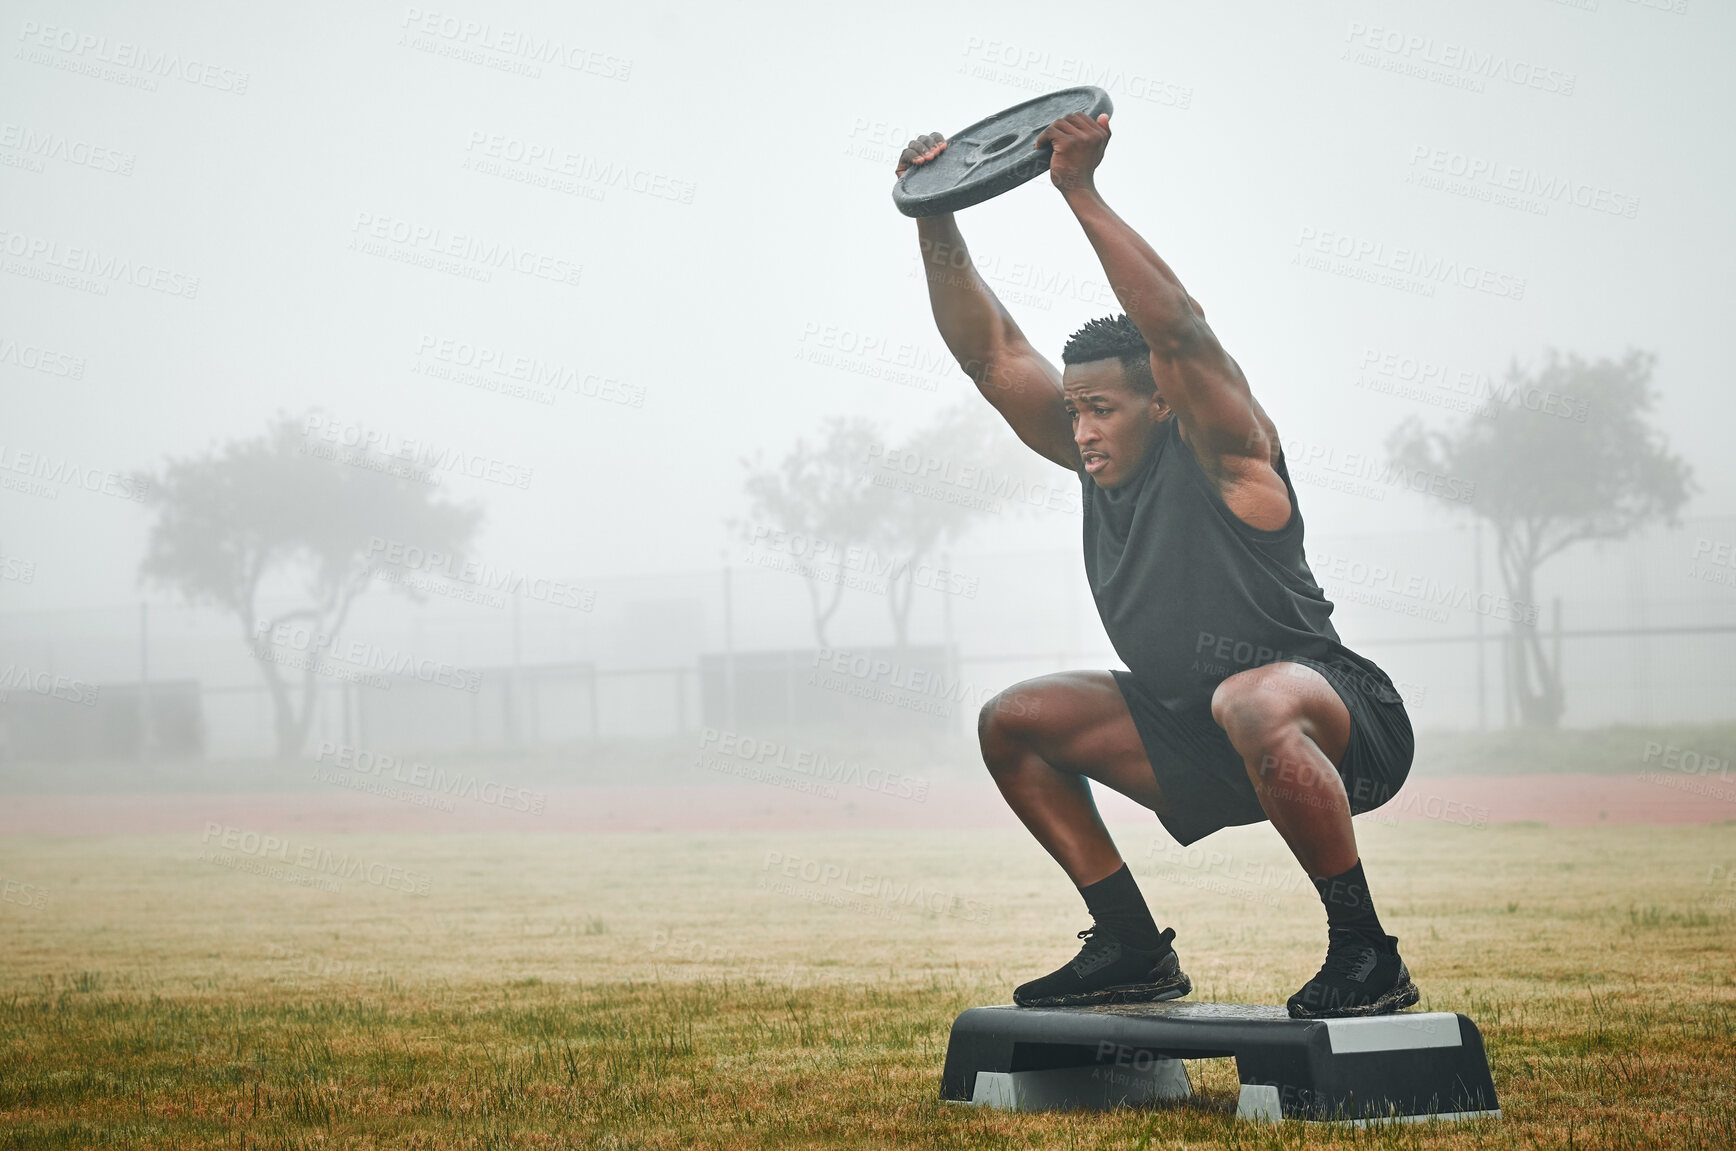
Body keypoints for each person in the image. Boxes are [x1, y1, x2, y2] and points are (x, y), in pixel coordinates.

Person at [897, 113, 1418, 1018]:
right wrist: (934, 212)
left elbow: (1178, 329)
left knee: (1250, 698)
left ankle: (1367, 953)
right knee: (1013, 721)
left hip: (1340, 723)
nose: (1083, 429)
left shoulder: (1227, 451)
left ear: (1162, 404)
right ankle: (1132, 946)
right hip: (1199, 731)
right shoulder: (1088, 453)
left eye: (1101, 407)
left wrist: (1079, 190)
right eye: (1075, 411)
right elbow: (991, 354)